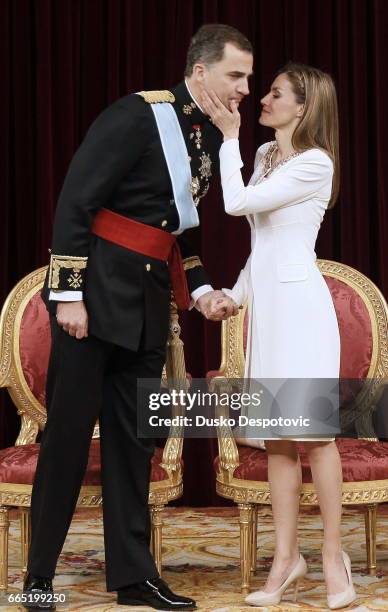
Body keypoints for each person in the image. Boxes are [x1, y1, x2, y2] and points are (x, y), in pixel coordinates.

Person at [23, 24, 253, 612]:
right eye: (236, 75)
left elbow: (179, 233)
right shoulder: (136, 115)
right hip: (94, 298)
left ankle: (133, 578)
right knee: (69, 441)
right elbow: (76, 200)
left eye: (249, 78)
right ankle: (38, 577)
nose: (245, 89)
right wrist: (69, 294)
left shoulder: (204, 135)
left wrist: (199, 292)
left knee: (134, 444)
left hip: (148, 307)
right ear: (200, 72)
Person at [202, 63, 357, 610]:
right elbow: (261, 246)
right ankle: (287, 559)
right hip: (267, 309)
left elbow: (236, 204)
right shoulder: (269, 157)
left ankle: (333, 556)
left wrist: (227, 140)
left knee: (315, 437)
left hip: (302, 311)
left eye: (275, 94)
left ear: (303, 107)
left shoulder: (316, 163)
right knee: (277, 440)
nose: (262, 98)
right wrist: (234, 295)